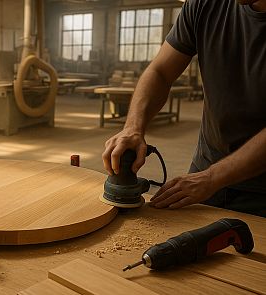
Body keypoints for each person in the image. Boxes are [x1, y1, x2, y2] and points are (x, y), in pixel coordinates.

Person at [102, 0, 266, 217]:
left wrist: (212, 178)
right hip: (206, 168)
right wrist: (133, 127)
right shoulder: (205, 4)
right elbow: (160, 71)